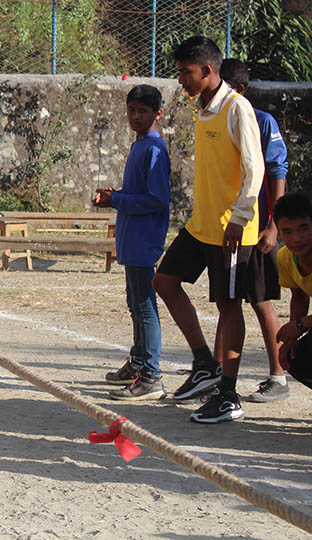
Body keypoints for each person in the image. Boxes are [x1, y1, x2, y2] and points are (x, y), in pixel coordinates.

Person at [151, 36, 264, 424]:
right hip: (201, 225)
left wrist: (240, 216)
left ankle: (229, 395)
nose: (181, 80)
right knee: (164, 281)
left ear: (208, 71)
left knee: (229, 306)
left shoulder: (238, 109)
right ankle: (204, 362)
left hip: (231, 229)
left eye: (186, 72)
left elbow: (256, 169)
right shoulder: (201, 108)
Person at [220, 58, 291, 403]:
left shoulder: (261, 121)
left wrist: (273, 226)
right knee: (227, 301)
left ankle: (279, 375)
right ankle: (217, 374)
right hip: (227, 229)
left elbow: (277, 171)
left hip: (257, 228)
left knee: (261, 300)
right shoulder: (211, 121)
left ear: (240, 90)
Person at [94, 85, 171, 400]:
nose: (135, 116)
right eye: (132, 110)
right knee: (134, 303)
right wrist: (116, 197)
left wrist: (118, 200)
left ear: (157, 114)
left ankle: (151, 375)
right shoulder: (139, 145)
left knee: (144, 306)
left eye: (142, 111)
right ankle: (138, 361)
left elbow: (156, 199)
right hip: (132, 236)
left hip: (144, 239)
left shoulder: (154, 149)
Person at [272, 193, 312, 392]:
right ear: (278, 233)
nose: (296, 239)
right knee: (294, 357)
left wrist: (301, 324)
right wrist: (292, 339)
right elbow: (299, 295)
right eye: (287, 231)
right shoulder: (285, 257)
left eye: (303, 229)